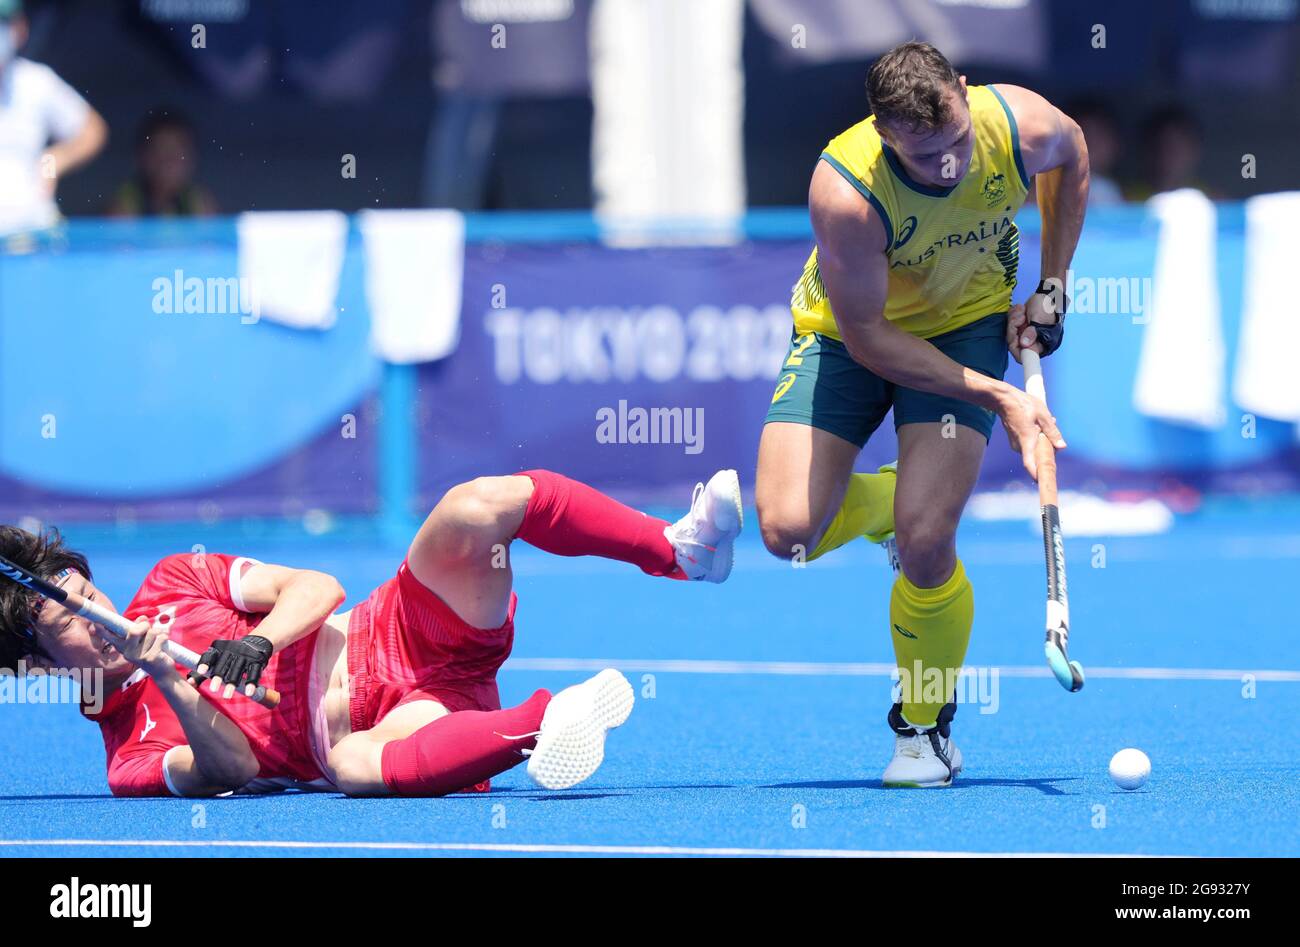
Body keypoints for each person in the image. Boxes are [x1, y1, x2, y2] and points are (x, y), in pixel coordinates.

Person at [756, 41, 1086, 787]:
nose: (949, 166)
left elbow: (1075, 155)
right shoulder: (846, 191)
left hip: (967, 317)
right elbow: (871, 337)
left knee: (928, 537)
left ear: (964, 93)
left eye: (958, 142)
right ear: (884, 134)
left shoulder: (1022, 125)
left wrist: (1053, 284)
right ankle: (884, 506)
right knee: (786, 532)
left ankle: (924, 725)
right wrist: (999, 393)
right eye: (926, 154)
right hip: (849, 334)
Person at [1, 469, 743, 797]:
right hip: (391, 724)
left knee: (475, 506)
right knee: (356, 767)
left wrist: (262, 641)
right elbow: (224, 770)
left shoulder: (174, 578)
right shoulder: (130, 761)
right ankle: (546, 722)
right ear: (37, 664)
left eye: (86, 590)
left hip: (397, 630)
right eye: (69, 616)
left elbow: (319, 588)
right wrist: (170, 678)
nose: (96, 612)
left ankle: (676, 549)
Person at [0, 0, 108, 235]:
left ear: (20, 29)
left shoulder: (36, 82)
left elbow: (92, 130)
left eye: (2, 23)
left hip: (32, 233)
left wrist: (52, 162)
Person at [108, 109, 217, 218]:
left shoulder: (200, 204)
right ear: (143, 157)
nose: (169, 162)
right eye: (161, 151)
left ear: (192, 158)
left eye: (177, 153)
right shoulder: (126, 204)